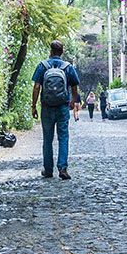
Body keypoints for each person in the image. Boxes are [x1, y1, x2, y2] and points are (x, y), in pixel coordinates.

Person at [31, 40, 81, 180]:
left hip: (46, 107)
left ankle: (48, 170)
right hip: (62, 107)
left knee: (47, 139)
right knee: (63, 137)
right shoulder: (68, 67)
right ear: (62, 52)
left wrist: (34, 106)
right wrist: (72, 102)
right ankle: (62, 167)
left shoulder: (43, 66)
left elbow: (36, 87)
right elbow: (74, 87)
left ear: (50, 51)